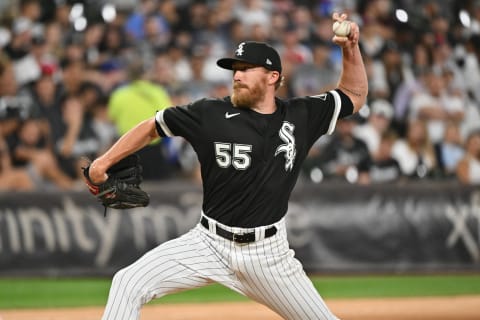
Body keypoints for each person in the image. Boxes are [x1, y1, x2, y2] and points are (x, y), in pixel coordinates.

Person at [86, 12, 367, 320]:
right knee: (127, 282)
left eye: (246, 69)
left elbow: (354, 95)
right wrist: (103, 162)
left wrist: (350, 49)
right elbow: (153, 125)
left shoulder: (300, 116)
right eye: (235, 69)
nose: (237, 75)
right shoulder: (209, 114)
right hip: (208, 243)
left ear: (272, 76)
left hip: (267, 254)